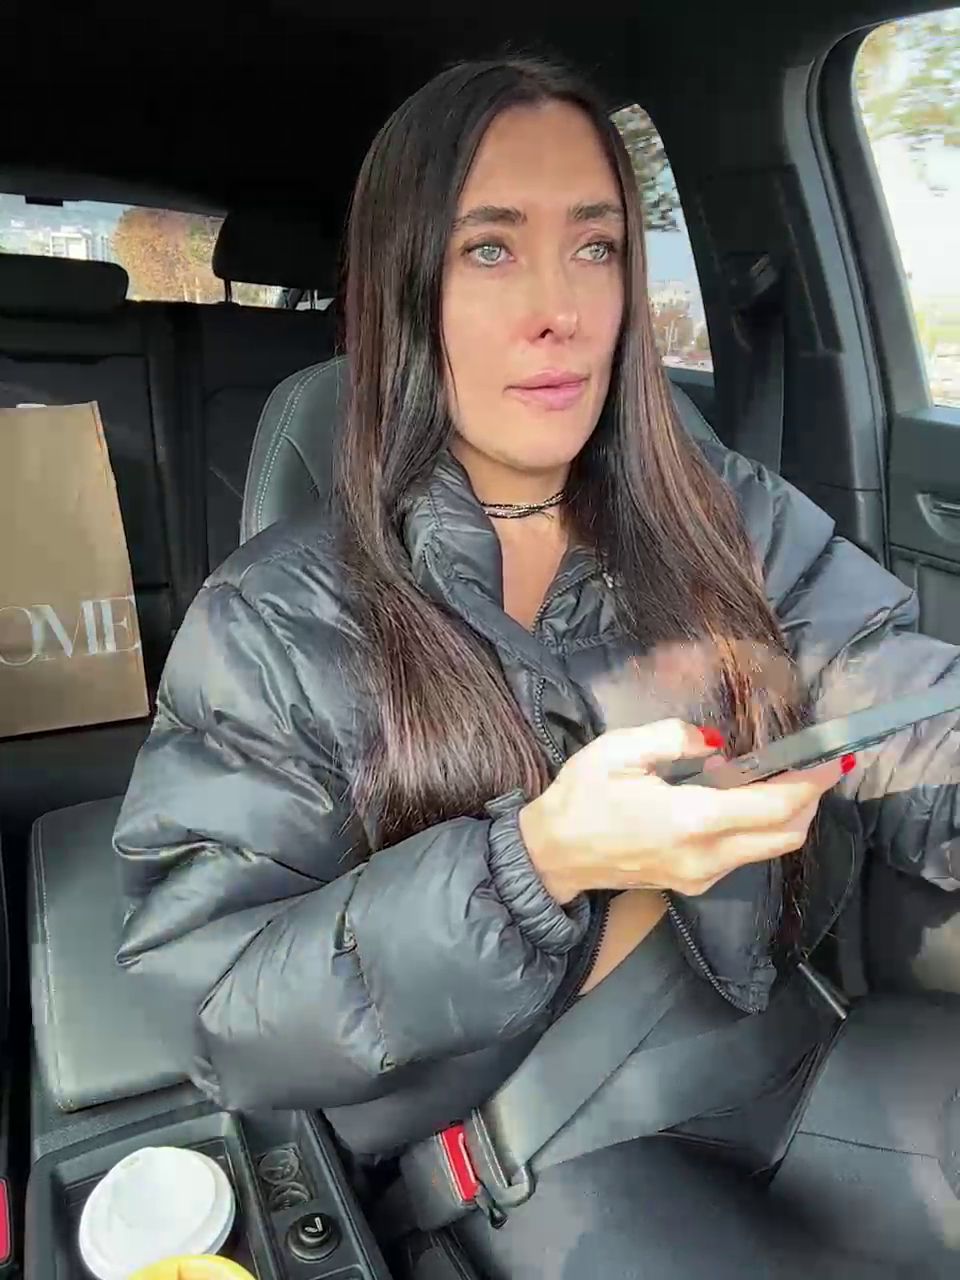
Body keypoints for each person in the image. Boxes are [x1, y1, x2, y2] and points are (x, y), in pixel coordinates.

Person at [113, 58, 960, 1277]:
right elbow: (218, 1006)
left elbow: (894, 696)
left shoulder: (725, 513)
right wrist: (537, 860)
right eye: (491, 249)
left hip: (789, 1044)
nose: (558, 307)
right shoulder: (275, 619)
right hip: (535, 1146)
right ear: (406, 289)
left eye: (596, 246)